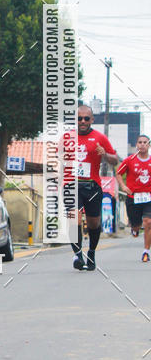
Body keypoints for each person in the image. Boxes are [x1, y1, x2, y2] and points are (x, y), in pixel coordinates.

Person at [71, 104, 118, 270]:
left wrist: (104, 154)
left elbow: (115, 160)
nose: (82, 121)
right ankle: (78, 256)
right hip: (72, 184)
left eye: (86, 118)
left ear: (92, 119)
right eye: (79, 118)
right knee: (73, 218)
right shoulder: (67, 138)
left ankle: (91, 252)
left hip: (92, 185)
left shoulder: (100, 137)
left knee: (93, 223)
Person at [116, 134, 151, 262]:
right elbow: (118, 173)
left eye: (145, 142)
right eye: (140, 142)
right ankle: (135, 229)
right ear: (136, 145)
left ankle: (146, 252)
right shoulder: (129, 160)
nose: (142, 144)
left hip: (148, 197)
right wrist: (123, 186)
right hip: (133, 197)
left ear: (149, 145)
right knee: (136, 226)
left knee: (148, 222)